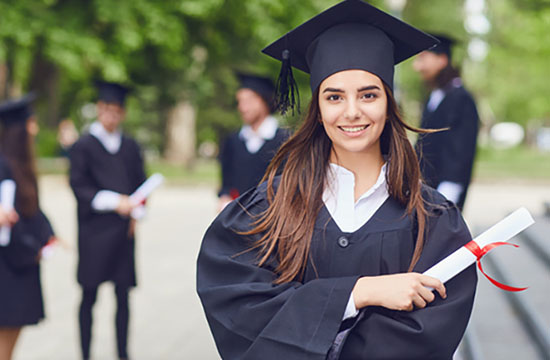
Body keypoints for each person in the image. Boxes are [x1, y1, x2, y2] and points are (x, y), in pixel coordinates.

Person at [197, 1, 477, 359]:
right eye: (334, 97)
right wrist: (358, 293)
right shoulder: (270, 206)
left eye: (368, 94)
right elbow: (238, 306)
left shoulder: (433, 219)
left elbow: (429, 334)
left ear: (389, 103)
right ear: (318, 108)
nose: (351, 111)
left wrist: (315, 325)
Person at [69, 81, 146, 360]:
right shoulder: (84, 146)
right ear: (99, 110)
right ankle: (85, 353)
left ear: (122, 113)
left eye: (116, 111)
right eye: (106, 110)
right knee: (89, 294)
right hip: (94, 232)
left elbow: (141, 185)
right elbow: (79, 187)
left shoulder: (130, 146)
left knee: (123, 295)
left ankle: (123, 353)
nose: (110, 116)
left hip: (123, 234)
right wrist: (117, 202)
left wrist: (136, 210)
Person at [0, 94, 56, 360]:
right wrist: (32, 248)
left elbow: (30, 211)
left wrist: (48, 235)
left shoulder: (20, 166)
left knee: (10, 343)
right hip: (8, 267)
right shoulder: (3, 165)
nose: (34, 129)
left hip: (20, 263)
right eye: (31, 123)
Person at [413, 34, 480, 211]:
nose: (417, 66)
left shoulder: (461, 98)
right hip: (425, 188)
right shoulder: (434, 96)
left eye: (423, 58)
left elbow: (462, 149)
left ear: (442, 60)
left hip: (444, 191)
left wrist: (449, 191)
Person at [217, 72, 290, 210]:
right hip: (238, 216)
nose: (242, 108)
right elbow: (226, 183)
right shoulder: (233, 141)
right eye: (240, 101)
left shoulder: (286, 141)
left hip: (274, 217)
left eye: (249, 101)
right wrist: (224, 197)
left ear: (265, 100)